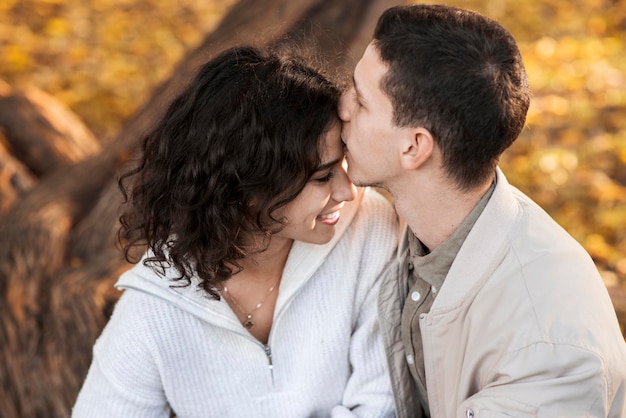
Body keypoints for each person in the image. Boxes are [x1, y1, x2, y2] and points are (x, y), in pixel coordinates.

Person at [72, 46, 399, 417]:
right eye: (323, 176)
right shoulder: (157, 302)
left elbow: (382, 402)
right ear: (246, 189)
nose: (348, 190)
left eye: (343, 164)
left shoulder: (369, 227)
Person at [338, 4, 626, 418]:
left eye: (361, 101)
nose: (342, 108)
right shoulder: (393, 230)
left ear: (414, 147)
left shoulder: (549, 350)